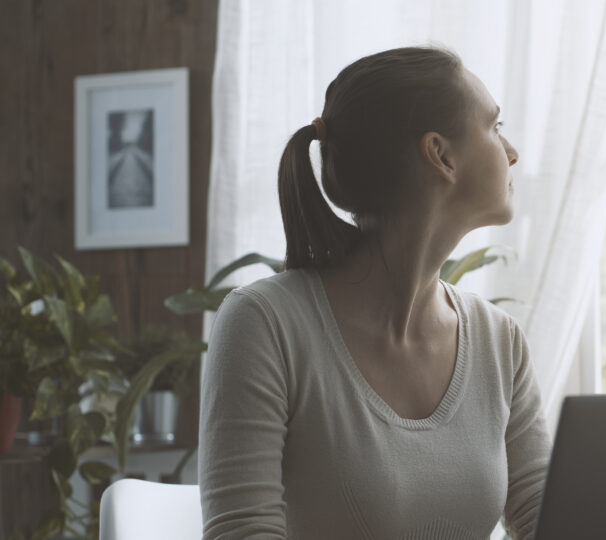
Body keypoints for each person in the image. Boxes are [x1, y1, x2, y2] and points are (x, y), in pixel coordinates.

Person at [198, 46, 551, 539]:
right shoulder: (265, 324)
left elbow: (545, 517)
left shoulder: (500, 342)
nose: (511, 152)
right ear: (441, 155)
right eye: (495, 127)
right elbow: (243, 531)